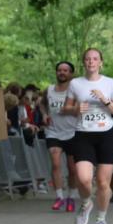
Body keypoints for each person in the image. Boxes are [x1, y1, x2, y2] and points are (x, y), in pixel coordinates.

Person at [62, 48, 113, 224]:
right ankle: (86, 204)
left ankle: (101, 219)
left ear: (101, 63)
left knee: (104, 183)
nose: (91, 62)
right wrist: (76, 109)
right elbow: (66, 108)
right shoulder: (75, 83)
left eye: (95, 59)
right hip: (83, 134)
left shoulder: (110, 83)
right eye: (88, 59)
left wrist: (105, 101)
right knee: (83, 179)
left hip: (106, 135)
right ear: (84, 62)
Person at [41, 61, 80, 212]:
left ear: (71, 74)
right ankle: (59, 197)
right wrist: (45, 115)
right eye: (59, 70)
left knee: (72, 169)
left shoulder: (76, 91)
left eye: (65, 70)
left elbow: (81, 109)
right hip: (54, 132)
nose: (62, 73)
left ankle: (71, 197)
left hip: (72, 132)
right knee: (56, 164)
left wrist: (69, 110)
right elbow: (42, 104)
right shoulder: (49, 90)